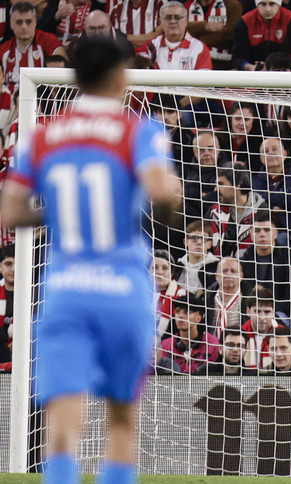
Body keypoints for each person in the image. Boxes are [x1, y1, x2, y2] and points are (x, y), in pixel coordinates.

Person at [0, 37, 180, 484]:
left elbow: (10, 211)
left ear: (75, 77)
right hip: (123, 287)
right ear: (121, 77)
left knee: (62, 414)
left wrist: (63, 210)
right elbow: (163, 195)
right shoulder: (140, 130)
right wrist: (137, 208)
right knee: (120, 415)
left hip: (66, 290)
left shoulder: (42, 136)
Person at [184, 0, 243, 70]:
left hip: (224, 64)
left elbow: (230, 34)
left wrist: (195, 37)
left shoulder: (233, 5)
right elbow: (181, 32)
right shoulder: (184, 7)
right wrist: (205, 26)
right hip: (191, 63)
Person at [232, 0, 291, 71]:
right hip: (254, 73)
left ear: (278, 4)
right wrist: (251, 67)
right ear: (257, 4)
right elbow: (237, 57)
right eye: (263, 4)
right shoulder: (245, 22)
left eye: (272, 4)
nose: (267, 9)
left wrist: (277, 68)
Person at [158, 294, 221, 374]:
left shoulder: (214, 345)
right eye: (178, 312)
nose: (180, 316)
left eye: (187, 312)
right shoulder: (165, 346)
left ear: (198, 318)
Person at [148, 1, 212, 71]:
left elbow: (204, 80)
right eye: (168, 17)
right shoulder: (150, 46)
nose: (172, 21)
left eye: (177, 17)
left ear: (186, 21)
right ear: (160, 22)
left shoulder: (199, 48)